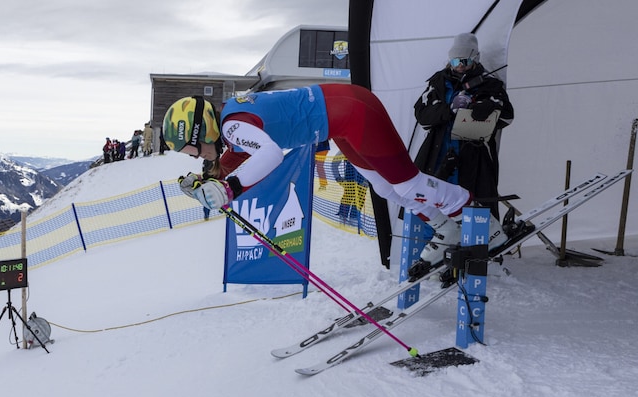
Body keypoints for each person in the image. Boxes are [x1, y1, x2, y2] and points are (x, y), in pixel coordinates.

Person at [162, 85, 509, 272]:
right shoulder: (233, 128)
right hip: (343, 120)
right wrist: (209, 185)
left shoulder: (233, 125)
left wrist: (226, 188)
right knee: (385, 187)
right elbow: (232, 164)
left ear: (199, 131)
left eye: (188, 149)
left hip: (354, 114)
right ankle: (446, 227)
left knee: (407, 183)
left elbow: (268, 155)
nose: (191, 156)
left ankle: (480, 218)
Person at [413, 32, 514, 219]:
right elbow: (421, 115)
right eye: (455, 61)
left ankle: (475, 245)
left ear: (475, 59)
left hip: (474, 157)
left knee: (474, 208)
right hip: (438, 154)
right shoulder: (438, 83)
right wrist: (448, 109)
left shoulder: (490, 84)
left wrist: (489, 108)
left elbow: (507, 116)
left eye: (465, 61)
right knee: (433, 207)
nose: (460, 66)